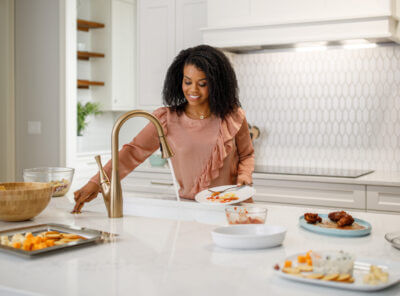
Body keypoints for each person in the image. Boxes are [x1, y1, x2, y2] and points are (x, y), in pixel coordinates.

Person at [72, 44, 254, 213]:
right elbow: (132, 152)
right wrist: (96, 182)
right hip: (189, 209)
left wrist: (244, 175)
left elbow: (247, 155)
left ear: (217, 84)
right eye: (188, 81)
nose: (193, 90)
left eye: (203, 84)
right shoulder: (166, 119)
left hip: (232, 208)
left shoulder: (233, 117)